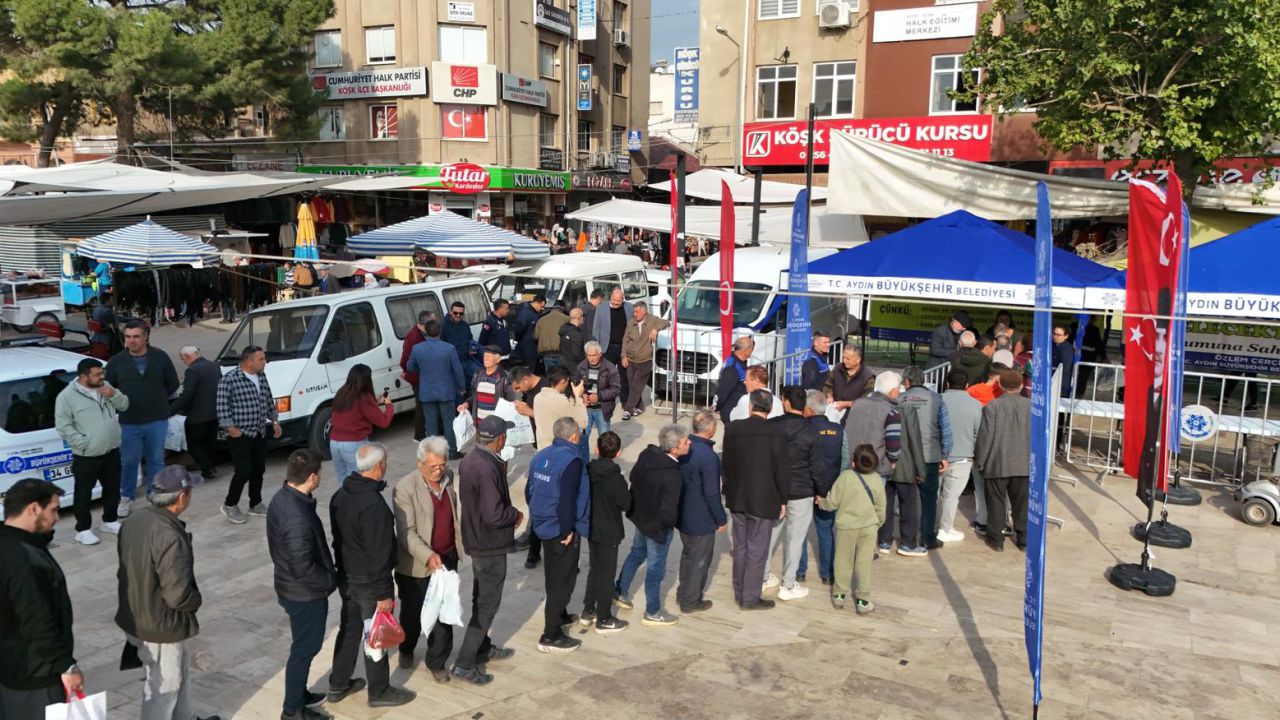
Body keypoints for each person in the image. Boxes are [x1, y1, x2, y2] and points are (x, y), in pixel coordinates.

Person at [116, 465, 221, 720]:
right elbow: (178, 594)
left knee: (178, 670)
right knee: (164, 686)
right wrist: (196, 600)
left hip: (135, 614)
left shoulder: (134, 521)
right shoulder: (169, 534)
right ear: (183, 496)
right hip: (159, 624)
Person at [327, 443, 416, 708]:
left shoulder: (340, 495)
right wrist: (384, 593)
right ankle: (379, 690)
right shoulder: (373, 505)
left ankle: (338, 683)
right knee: (374, 634)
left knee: (350, 629)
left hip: (348, 577)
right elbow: (379, 553)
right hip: (368, 582)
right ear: (379, 466)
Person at [0, 480, 83, 718]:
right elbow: (37, 619)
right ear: (34, 509)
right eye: (54, 510)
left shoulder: (11, 543)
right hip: (36, 675)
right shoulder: (24, 558)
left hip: (11, 669)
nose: (57, 517)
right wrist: (67, 666)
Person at [266, 450, 336, 720]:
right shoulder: (296, 516)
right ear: (312, 476)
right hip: (303, 594)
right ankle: (292, 710)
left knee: (304, 646)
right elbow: (302, 566)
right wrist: (329, 582)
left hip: (291, 587)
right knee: (305, 648)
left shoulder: (283, 498)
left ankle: (298, 693)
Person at [452, 417, 522, 685]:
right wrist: (513, 514)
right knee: (486, 605)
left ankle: (483, 646)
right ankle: (465, 663)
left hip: (477, 540)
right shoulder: (487, 467)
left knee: (482, 598)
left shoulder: (470, 459)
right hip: (489, 544)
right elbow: (494, 514)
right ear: (499, 438)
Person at [393, 437, 460, 682]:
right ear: (420, 463)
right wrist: (428, 555)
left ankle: (437, 661)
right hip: (416, 565)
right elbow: (406, 532)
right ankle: (406, 647)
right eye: (432, 467)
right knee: (412, 615)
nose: (438, 470)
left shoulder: (449, 477)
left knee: (444, 614)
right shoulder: (404, 488)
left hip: (446, 559)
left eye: (442, 465)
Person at [615, 423, 689, 626]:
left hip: (641, 518)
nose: (689, 443)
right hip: (657, 528)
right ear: (674, 449)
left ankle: (620, 591)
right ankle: (653, 612)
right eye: (685, 441)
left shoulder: (647, 456)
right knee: (656, 570)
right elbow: (669, 510)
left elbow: (633, 478)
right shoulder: (673, 474)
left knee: (636, 553)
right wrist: (670, 525)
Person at [526, 417, 591, 651]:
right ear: (574, 437)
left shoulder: (540, 456)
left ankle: (560, 615)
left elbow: (529, 490)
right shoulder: (572, 461)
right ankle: (551, 634)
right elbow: (567, 501)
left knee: (553, 574)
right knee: (563, 580)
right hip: (560, 530)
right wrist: (568, 530)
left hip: (543, 525)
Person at [721, 390, 789, 610]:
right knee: (757, 549)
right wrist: (783, 499)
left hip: (737, 496)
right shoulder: (776, 434)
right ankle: (750, 597)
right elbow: (781, 471)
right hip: (763, 499)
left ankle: (740, 591)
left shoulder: (732, 429)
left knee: (740, 547)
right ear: (769, 409)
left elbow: (726, 463)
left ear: (751, 406)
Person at [105, 320, 179, 518]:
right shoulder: (116, 362)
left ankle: (154, 496)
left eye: (136, 336)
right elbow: (108, 390)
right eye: (128, 337)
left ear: (146, 336)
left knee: (156, 460)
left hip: (157, 419)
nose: (131, 341)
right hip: (129, 422)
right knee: (129, 461)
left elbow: (173, 384)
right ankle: (126, 497)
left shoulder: (160, 357)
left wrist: (153, 397)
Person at [54, 357, 128, 546]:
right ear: (83, 376)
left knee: (112, 488)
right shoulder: (66, 397)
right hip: (87, 455)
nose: (101, 377)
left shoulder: (106, 386)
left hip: (111, 450)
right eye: (97, 374)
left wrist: (113, 394)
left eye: (102, 373)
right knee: (83, 493)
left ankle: (110, 521)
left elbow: (124, 405)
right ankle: (83, 529)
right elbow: (63, 426)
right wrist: (83, 444)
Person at [766, 386, 828, 599]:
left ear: (786, 402)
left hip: (775, 490)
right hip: (802, 491)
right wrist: (821, 491)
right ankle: (788, 585)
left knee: (771, 535)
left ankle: (764, 577)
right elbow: (816, 466)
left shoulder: (772, 427)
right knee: (795, 539)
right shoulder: (812, 432)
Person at [217, 345, 282, 525]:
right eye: (261, 359)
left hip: (260, 431)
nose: (265, 362)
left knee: (258, 469)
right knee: (243, 470)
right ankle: (230, 505)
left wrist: (274, 420)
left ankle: (255, 503)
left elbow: (268, 399)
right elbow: (222, 407)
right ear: (248, 361)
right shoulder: (229, 380)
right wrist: (231, 429)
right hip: (241, 434)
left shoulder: (261, 376)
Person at [820, 445, 887, 614]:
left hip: (846, 527)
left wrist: (821, 502)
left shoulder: (845, 477)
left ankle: (839, 595)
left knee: (843, 560)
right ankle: (863, 600)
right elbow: (881, 507)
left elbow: (832, 502)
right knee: (864, 564)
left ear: (854, 462)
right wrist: (877, 523)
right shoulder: (877, 479)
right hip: (869, 527)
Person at [580, 431, 630, 634]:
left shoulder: (588, 471)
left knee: (594, 569)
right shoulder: (616, 479)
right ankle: (604, 618)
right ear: (617, 453)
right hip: (609, 530)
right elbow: (626, 504)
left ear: (596, 449)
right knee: (606, 575)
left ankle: (588, 610)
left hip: (591, 528)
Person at [975, 370, 1031, 552]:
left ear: (1000, 385)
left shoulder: (992, 407)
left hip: (997, 462)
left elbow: (985, 437)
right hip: (1023, 464)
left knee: (996, 503)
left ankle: (996, 540)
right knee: (1022, 505)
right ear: (1021, 386)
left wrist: (980, 460)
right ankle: (1023, 540)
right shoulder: (1032, 406)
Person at [897, 366, 951, 553]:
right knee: (929, 499)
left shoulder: (899, 399)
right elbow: (945, 429)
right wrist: (945, 454)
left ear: (907, 382)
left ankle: (907, 538)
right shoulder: (936, 399)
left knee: (907, 499)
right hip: (930, 456)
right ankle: (927, 537)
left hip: (906, 457)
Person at [676, 410, 726, 613]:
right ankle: (690, 601)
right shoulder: (709, 457)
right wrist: (721, 518)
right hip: (701, 518)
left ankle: (683, 593)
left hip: (683, 514)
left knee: (688, 555)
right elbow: (712, 493)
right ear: (712, 430)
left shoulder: (684, 448)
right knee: (699, 560)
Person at [798, 390, 845, 586]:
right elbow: (846, 460)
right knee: (826, 529)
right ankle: (827, 573)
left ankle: (799, 571)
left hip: (804, 488)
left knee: (799, 531)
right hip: (829, 488)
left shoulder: (800, 430)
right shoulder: (839, 430)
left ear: (808, 409)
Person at [406, 318, 466, 458]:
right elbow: (458, 370)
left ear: (425, 331)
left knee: (431, 424)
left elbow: (410, 367)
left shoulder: (418, 349)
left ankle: (434, 453)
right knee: (448, 422)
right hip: (446, 391)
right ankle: (451, 452)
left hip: (427, 392)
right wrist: (461, 387)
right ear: (440, 331)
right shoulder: (449, 348)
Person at [329, 364, 394, 482]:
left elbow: (354, 410)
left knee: (342, 480)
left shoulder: (342, 392)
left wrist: (374, 402)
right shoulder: (364, 397)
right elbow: (384, 422)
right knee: (356, 482)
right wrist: (389, 405)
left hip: (334, 443)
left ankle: (343, 501)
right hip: (352, 444)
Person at [939, 369, 982, 544]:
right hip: (963, 458)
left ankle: (927, 525)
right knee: (951, 497)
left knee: (931, 494)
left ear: (947, 384)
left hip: (935, 456)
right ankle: (945, 528)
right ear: (967, 386)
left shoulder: (937, 400)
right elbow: (979, 433)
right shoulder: (976, 405)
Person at [171, 346, 221, 481]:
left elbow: (187, 394)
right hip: (214, 413)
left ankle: (207, 468)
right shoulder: (214, 366)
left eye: (183, 359)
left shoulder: (192, 370)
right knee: (209, 442)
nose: (184, 362)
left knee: (193, 443)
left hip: (197, 415)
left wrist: (171, 410)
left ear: (187, 357)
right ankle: (211, 467)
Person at [620, 301, 670, 420]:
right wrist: (624, 356)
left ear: (644, 312)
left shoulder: (652, 320)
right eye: (634, 311)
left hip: (644, 361)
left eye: (637, 312)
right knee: (632, 385)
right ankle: (640, 407)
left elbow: (667, 322)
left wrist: (655, 329)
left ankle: (628, 409)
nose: (635, 314)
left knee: (636, 386)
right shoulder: (631, 323)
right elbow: (625, 340)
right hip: (631, 360)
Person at [575, 340, 621, 451]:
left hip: (602, 409)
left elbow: (616, 389)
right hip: (585, 409)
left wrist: (599, 396)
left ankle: (603, 465)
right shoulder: (581, 366)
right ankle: (584, 465)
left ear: (600, 354)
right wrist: (582, 396)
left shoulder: (610, 368)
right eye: (588, 355)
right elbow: (576, 384)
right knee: (581, 440)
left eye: (594, 355)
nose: (591, 358)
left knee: (605, 442)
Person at [592, 289, 634, 406]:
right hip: (607, 348)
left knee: (624, 377)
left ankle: (625, 402)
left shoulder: (629, 307)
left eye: (619, 301)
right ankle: (605, 400)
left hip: (623, 348)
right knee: (605, 376)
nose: (616, 303)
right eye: (614, 300)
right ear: (610, 298)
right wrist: (597, 347)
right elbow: (596, 329)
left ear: (623, 299)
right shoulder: (601, 308)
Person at [531, 365, 588, 451]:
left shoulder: (538, 397)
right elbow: (583, 422)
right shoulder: (560, 400)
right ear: (562, 381)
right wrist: (578, 396)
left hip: (542, 449)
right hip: (558, 451)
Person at [459, 346, 516, 422]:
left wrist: (504, 427)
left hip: (496, 427)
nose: (485, 358)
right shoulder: (478, 375)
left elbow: (510, 403)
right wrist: (466, 404)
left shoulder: (504, 377)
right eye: (485, 356)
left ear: (497, 359)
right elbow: (474, 397)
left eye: (489, 356)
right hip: (479, 424)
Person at [400, 310, 431, 441]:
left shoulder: (418, 334)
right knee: (421, 405)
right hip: (417, 377)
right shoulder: (415, 337)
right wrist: (408, 372)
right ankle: (419, 435)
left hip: (417, 375)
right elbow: (406, 360)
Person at [829, 346, 875, 424]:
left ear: (858, 360)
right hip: (834, 415)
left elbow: (866, 401)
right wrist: (829, 396)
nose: (844, 361)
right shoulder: (837, 368)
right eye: (843, 357)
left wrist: (846, 404)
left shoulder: (868, 377)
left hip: (855, 418)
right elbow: (828, 385)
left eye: (848, 359)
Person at [714, 336, 754, 424]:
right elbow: (724, 390)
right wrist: (717, 407)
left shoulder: (738, 362)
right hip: (732, 412)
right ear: (746, 350)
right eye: (752, 347)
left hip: (737, 410)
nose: (752, 350)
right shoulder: (733, 367)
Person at [512, 295, 547, 369]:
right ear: (537, 303)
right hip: (526, 351)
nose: (542, 309)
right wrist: (522, 340)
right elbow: (518, 329)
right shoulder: (525, 313)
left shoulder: (535, 313)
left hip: (532, 350)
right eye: (541, 306)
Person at [442, 302, 477, 377]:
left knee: (479, 375)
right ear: (451, 312)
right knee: (461, 385)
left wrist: (471, 348)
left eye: (461, 313)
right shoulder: (443, 326)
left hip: (467, 360)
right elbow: (441, 345)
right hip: (454, 363)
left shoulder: (465, 325)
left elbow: (470, 339)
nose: (458, 315)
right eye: (455, 313)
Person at [534, 303, 569, 371]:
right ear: (562, 309)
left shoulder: (541, 320)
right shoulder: (566, 319)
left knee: (550, 374)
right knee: (561, 374)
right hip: (561, 352)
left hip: (546, 352)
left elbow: (536, 336)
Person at [1051, 324, 1075, 397]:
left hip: (1060, 384)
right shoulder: (1051, 345)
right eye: (1054, 334)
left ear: (1066, 336)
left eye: (1059, 335)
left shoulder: (1066, 348)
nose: (1055, 336)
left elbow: (1065, 366)